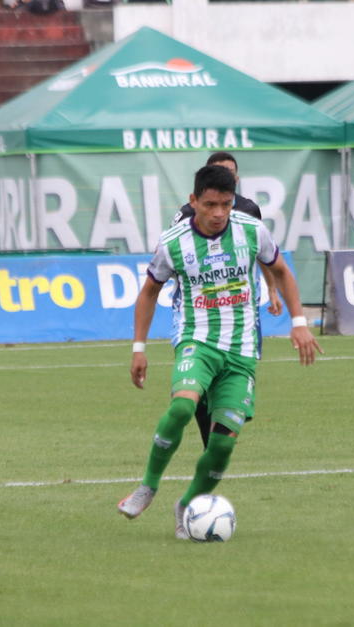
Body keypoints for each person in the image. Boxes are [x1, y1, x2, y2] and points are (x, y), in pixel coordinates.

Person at [117, 164, 323, 540]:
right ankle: (147, 485)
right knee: (182, 406)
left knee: (223, 444)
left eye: (225, 205)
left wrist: (299, 322)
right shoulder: (174, 241)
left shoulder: (251, 231)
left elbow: (281, 270)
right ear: (193, 201)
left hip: (242, 350)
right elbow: (148, 292)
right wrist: (139, 348)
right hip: (197, 339)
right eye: (210, 204)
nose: (217, 214)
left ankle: (188, 505)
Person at [170, 151, 282, 450]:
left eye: (231, 172)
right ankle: (212, 433)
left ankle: (225, 417)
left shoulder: (248, 211)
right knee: (201, 383)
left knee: (238, 372)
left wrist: (271, 289)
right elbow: (175, 257)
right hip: (202, 311)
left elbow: (266, 255)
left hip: (242, 307)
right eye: (220, 170)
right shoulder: (186, 213)